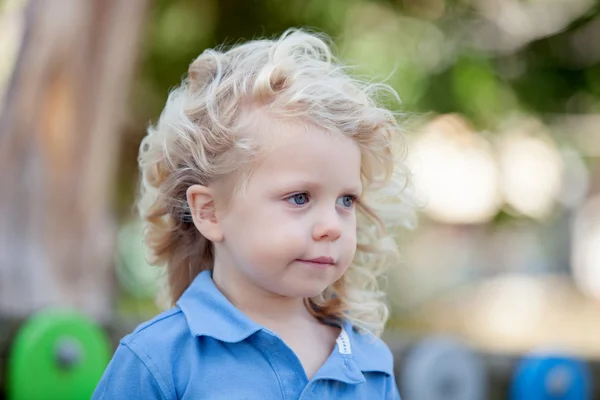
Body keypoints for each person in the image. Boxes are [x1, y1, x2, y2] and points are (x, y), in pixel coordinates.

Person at [93, 28, 416, 399]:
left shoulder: (368, 365)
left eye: (346, 201)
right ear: (210, 212)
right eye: (299, 198)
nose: (332, 227)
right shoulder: (159, 360)